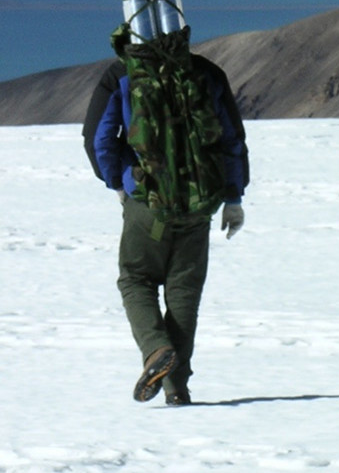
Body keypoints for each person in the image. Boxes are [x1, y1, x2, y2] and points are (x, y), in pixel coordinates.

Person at [83, 27, 250, 406]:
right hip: (199, 205)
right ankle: (177, 389)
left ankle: (156, 349)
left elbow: (99, 139)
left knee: (136, 280)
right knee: (184, 294)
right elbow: (231, 139)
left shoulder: (121, 74)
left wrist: (119, 185)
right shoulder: (204, 71)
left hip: (148, 203)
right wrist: (234, 197)